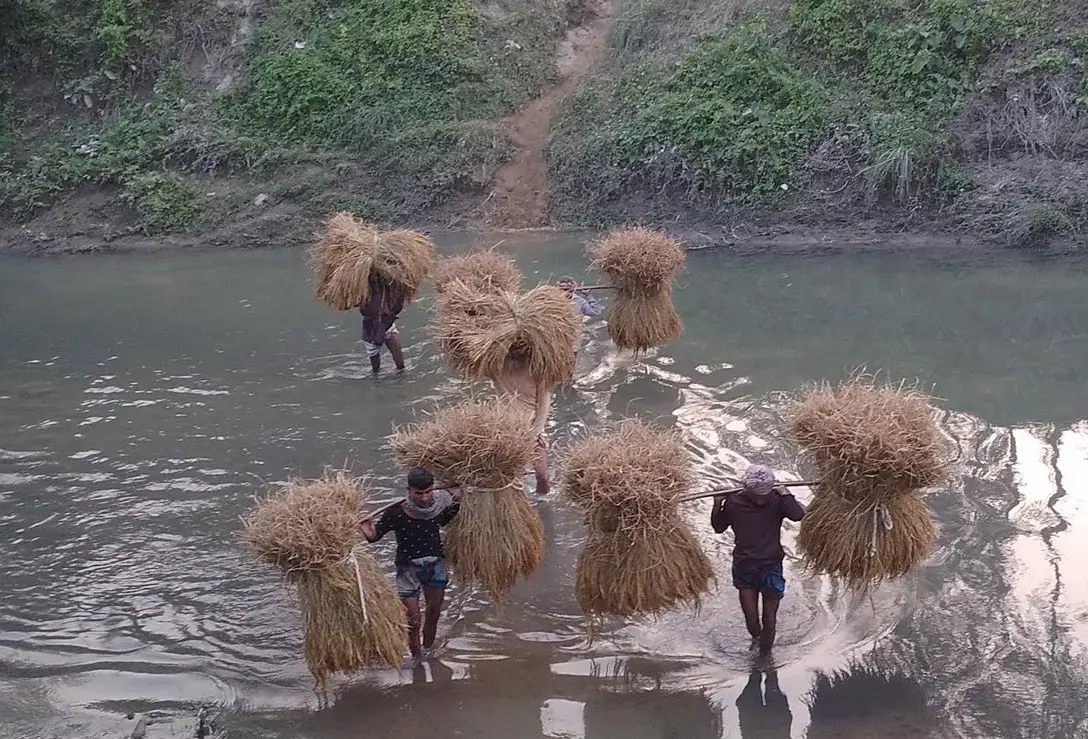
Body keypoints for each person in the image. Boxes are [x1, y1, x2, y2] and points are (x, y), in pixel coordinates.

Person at [360, 467, 461, 660]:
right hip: (408, 570)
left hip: (435, 566)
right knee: (413, 621)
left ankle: (428, 653)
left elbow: (448, 518)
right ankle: (416, 658)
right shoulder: (396, 512)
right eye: (418, 493)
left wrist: (461, 496)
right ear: (409, 490)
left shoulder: (438, 506)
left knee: (434, 612)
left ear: (433, 489)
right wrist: (367, 529)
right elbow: (375, 536)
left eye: (428, 492)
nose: (424, 498)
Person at [711, 464, 805, 655]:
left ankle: (765, 655)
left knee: (769, 617)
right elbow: (719, 527)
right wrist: (717, 503)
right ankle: (756, 639)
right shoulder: (734, 502)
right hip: (745, 566)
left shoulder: (778, 500)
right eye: (757, 494)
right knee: (751, 619)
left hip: (771, 565)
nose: (761, 499)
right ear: (748, 489)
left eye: (765, 494)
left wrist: (785, 493)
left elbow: (798, 515)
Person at [488, 353, 551, 495]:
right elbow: (465, 357)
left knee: (542, 475)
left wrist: (535, 433)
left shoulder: (538, 370)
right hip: (506, 429)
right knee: (511, 478)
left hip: (534, 429)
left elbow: (544, 405)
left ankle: (543, 501)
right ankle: (520, 503)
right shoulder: (495, 367)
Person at [360, 275, 407, 374]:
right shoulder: (362, 288)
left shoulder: (388, 285)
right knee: (375, 367)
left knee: (401, 364)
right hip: (371, 328)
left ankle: (401, 375)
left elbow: (398, 306)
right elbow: (346, 305)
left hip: (387, 323)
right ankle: (376, 379)